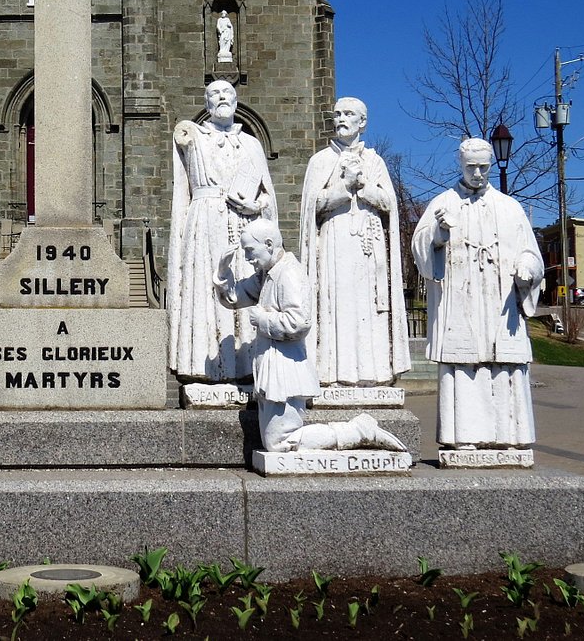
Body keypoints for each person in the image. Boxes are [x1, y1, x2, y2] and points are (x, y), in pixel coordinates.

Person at [215, 218, 405, 454]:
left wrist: (263, 320)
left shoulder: (289, 274)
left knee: (279, 443)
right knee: (274, 442)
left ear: (269, 244)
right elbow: (235, 298)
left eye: (250, 251)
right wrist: (224, 271)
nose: (247, 258)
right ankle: (356, 431)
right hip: (271, 368)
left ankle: (358, 431)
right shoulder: (266, 275)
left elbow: (300, 322)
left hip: (285, 370)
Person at [412, 138, 543, 450]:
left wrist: (527, 267)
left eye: (484, 167)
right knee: (464, 368)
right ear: (461, 164)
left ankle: (510, 438)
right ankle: (464, 438)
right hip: (461, 301)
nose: (479, 173)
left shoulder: (510, 208)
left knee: (506, 367)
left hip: (501, 304)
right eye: (472, 167)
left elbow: (532, 253)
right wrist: (439, 234)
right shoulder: (442, 203)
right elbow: (420, 248)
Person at [167, 80, 276, 380]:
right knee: (206, 287)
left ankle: (245, 366)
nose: (222, 97)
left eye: (227, 92)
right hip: (205, 223)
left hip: (244, 226)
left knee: (244, 287)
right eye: (214, 93)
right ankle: (206, 366)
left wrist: (256, 207)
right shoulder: (194, 138)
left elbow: (267, 193)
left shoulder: (252, 145)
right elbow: (183, 185)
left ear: (237, 100)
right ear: (207, 104)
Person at [299, 97, 409, 386]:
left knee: (369, 306)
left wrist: (365, 187)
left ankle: (373, 373)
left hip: (369, 246)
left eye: (348, 114)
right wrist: (344, 187)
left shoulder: (375, 161)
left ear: (362, 122)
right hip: (335, 242)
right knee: (338, 307)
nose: (341, 119)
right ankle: (334, 373)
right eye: (337, 114)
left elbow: (388, 204)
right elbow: (314, 205)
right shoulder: (320, 161)